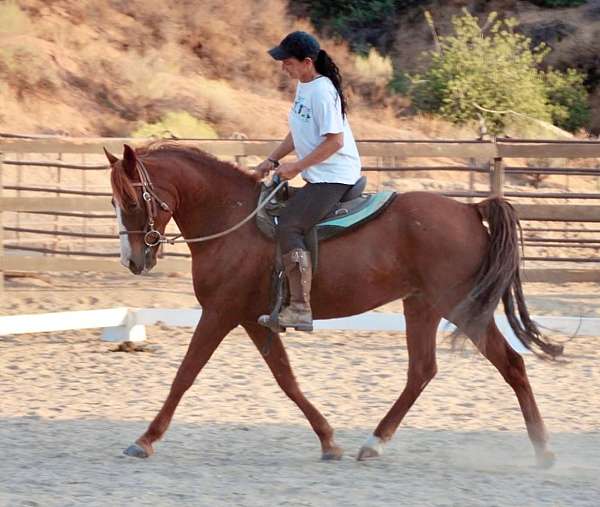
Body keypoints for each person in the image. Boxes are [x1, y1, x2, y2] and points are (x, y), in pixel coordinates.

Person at [256, 31, 362, 332]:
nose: (282, 67)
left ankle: (300, 309)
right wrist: (272, 160)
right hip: (319, 173)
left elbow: (335, 142)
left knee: (290, 223)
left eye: (287, 62)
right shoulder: (305, 87)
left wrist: (297, 167)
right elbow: (298, 132)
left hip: (335, 175)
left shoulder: (322, 91)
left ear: (307, 62)